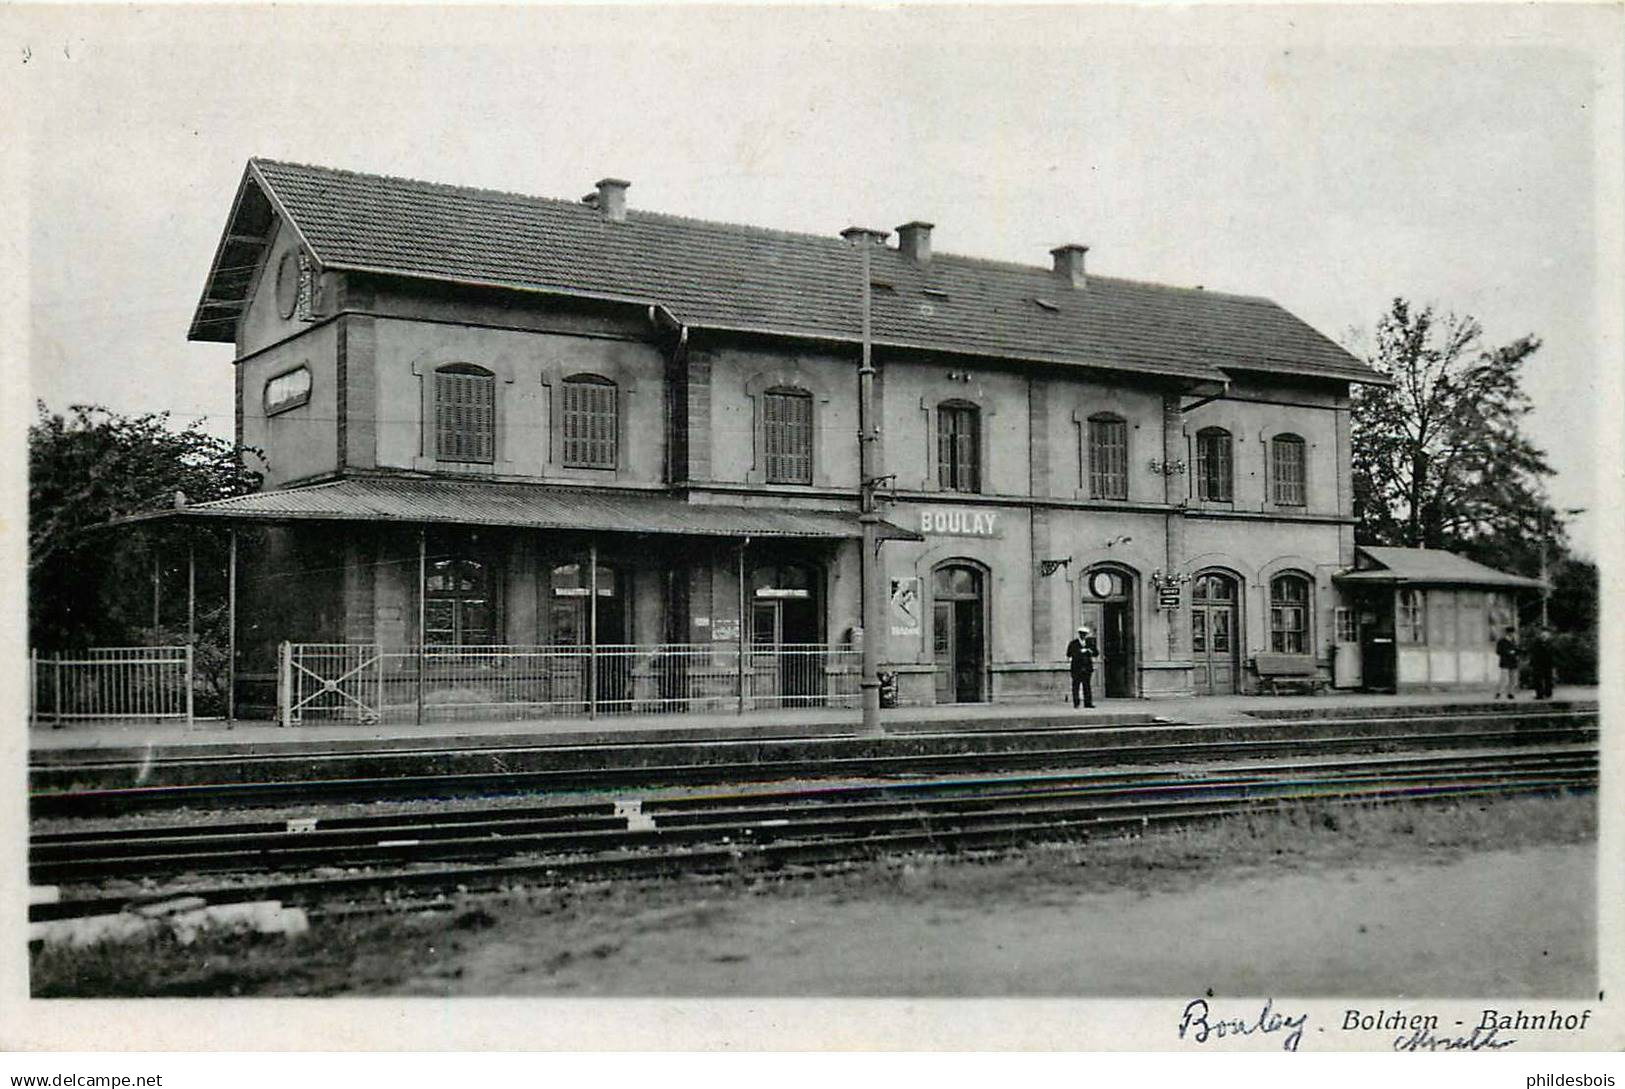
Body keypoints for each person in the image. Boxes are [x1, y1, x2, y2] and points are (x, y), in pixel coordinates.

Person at [1065, 625, 1099, 708]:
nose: (1083, 635)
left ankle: (1088, 703)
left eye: (1084, 634)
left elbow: (1096, 653)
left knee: (1087, 686)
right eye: (1081, 634)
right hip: (1077, 668)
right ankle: (1076, 703)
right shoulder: (1073, 643)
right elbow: (1069, 654)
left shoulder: (1090, 643)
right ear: (1079, 634)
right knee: (1076, 686)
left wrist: (1090, 651)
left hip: (1087, 668)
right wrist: (1079, 652)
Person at [1494, 626, 1521, 700]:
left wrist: (1516, 652)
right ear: (1507, 633)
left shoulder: (1514, 641)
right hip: (1505, 662)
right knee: (1504, 678)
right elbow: (1498, 651)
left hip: (1513, 662)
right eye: (1510, 633)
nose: (1511, 634)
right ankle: (1499, 692)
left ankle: (1510, 693)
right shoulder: (1501, 641)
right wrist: (1508, 652)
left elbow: (1517, 650)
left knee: (1513, 679)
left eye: (1512, 633)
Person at [1530, 625, 1555, 700]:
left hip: (1548, 663)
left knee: (1548, 679)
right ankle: (1539, 694)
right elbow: (1533, 652)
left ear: (1548, 634)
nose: (1544, 635)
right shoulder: (1536, 642)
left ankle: (1548, 693)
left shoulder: (1550, 643)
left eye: (1546, 633)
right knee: (1538, 679)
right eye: (1542, 633)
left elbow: (1553, 653)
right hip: (1538, 664)